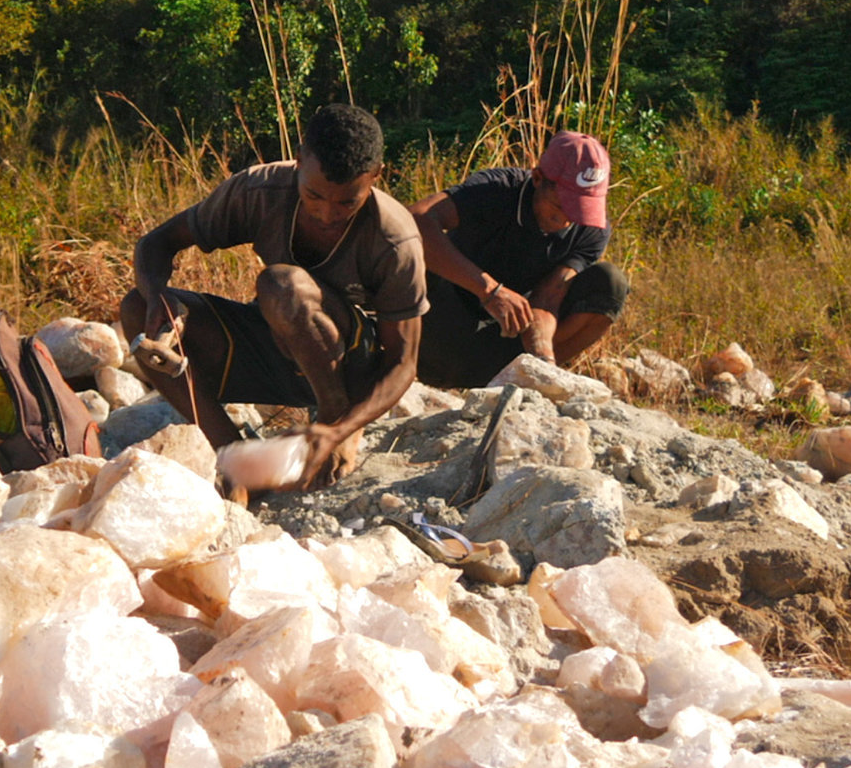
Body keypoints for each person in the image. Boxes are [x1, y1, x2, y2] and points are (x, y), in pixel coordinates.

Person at [121, 104, 427, 488]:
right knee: (134, 308)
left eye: (347, 202)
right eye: (314, 195)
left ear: (376, 177)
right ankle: (230, 458)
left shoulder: (395, 239)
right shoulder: (259, 190)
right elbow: (156, 243)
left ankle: (330, 417)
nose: (328, 213)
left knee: (281, 285)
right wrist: (157, 300)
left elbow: (403, 363)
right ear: (298, 161)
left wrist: (341, 429)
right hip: (277, 349)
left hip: (348, 368)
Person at [409, 130, 628, 388]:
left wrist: (542, 361)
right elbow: (415, 219)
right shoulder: (496, 190)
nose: (569, 219)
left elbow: (547, 299)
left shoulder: (592, 229)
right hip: (443, 317)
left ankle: (517, 378)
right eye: (562, 206)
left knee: (610, 282)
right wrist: (489, 291)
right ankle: (403, 360)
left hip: (499, 339)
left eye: (581, 209)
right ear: (537, 178)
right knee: (415, 254)